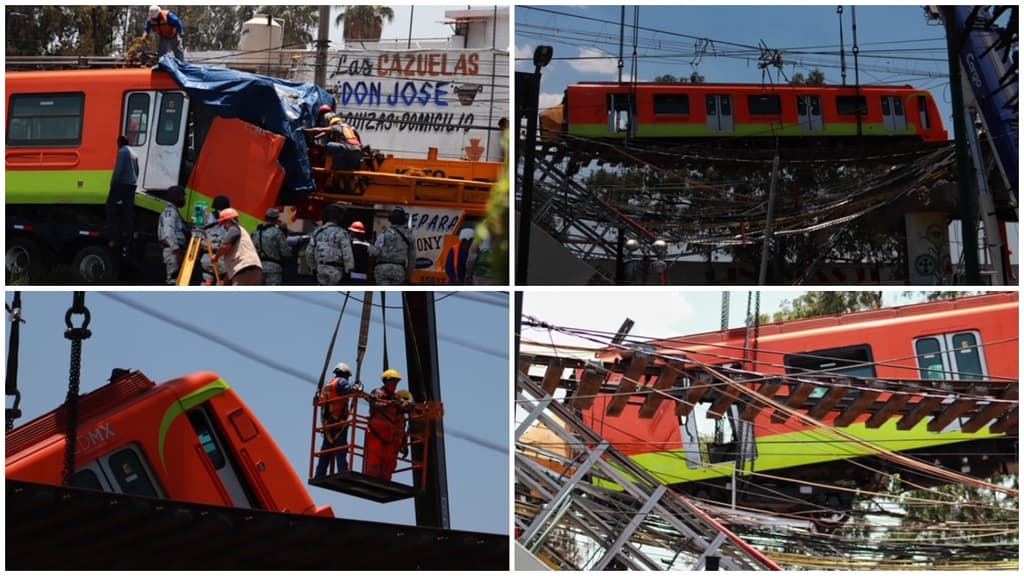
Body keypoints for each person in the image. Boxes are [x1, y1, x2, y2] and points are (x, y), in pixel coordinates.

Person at [363, 369, 414, 481]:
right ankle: (371, 480)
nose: (395, 385)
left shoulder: (396, 398)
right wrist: (389, 404)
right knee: (374, 459)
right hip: (375, 433)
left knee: (388, 461)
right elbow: (374, 402)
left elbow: (407, 407)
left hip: (389, 436)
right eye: (393, 382)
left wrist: (407, 404)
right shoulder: (378, 392)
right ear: (386, 381)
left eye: (396, 382)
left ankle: (385, 480)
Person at [315, 362, 360, 477]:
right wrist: (357, 388)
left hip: (327, 423)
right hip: (338, 422)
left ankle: (320, 473)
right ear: (345, 374)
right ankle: (342, 471)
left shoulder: (328, 385)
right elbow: (350, 390)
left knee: (326, 449)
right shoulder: (341, 382)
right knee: (341, 447)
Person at [305, 203, 354, 285]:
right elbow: (347, 253)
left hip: (320, 269)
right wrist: (349, 270)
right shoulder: (342, 233)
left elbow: (309, 252)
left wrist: (313, 268)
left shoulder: (317, 232)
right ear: (339, 217)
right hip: (336, 271)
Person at [212, 208, 263, 285]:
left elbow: (225, 246)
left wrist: (216, 257)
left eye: (224, 224)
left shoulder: (234, 229)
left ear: (228, 221)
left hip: (246, 270)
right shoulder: (240, 231)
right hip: (251, 270)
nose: (224, 228)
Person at [105, 135, 139, 251]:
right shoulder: (134, 153)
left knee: (110, 205)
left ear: (119, 143)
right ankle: (128, 234)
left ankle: (113, 234)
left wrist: (113, 182)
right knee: (128, 210)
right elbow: (137, 170)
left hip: (123, 183)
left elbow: (119, 169)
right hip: (132, 184)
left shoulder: (122, 152)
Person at [368, 207, 416, 285]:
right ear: (404, 220)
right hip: (399, 270)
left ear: (391, 219)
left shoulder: (384, 234)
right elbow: (412, 259)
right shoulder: (409, 237)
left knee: (383, 294)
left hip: (383, 269)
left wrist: (368, 247)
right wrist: (407, 274)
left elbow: (375, 252)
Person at [157, 186, 189, 284]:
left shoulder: (175, 212)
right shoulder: (170, 213)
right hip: (173, 252)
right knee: (173, 281)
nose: (184, 199)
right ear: (177, 198)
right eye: (183, 197)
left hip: (176, 251)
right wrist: (177, 251)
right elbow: (168, 233)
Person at [252, 208, 292, 285]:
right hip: (274, 269)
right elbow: (285, 252)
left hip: (258, 268)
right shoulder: (277, 233)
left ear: (265, 217)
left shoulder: (256, 232)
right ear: (276, 219)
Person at [200, 195, 230, 285]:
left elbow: (198, 233)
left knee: (206, 282)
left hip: (207, 258)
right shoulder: (230, 221)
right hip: (221, 260)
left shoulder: (206, 217)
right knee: (219, 284)